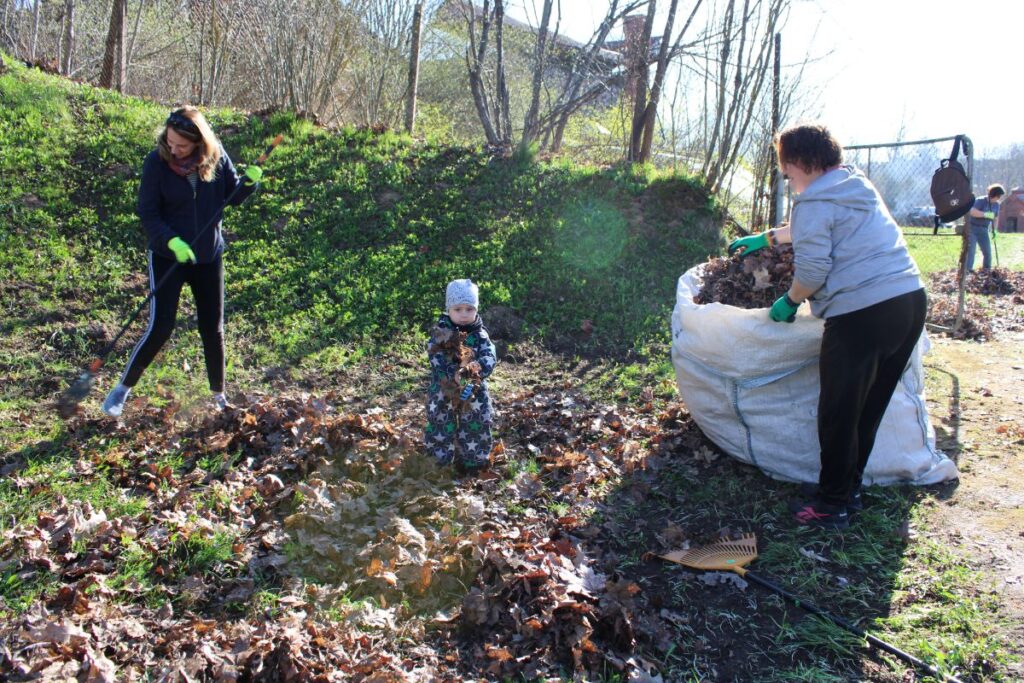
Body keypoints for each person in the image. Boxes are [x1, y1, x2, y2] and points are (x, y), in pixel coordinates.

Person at [728, 123, 926, 530]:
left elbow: (814, 270)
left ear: (801, 162)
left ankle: (831, 505)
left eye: (788, 172)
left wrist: (791, 300)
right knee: (867, 408)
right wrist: (768, 238)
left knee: (838, 412)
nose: (789, 180)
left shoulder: (813, 202)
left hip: (862, 314)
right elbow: (822, 225)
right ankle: (846, 489)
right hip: (907, 302)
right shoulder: (853, 185)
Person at [101, 106, 262, 417]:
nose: (173, 149)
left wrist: (249, 184)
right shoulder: (156, 163)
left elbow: (233, 195)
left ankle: (218, 395)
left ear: (199, 144)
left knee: (211, 329)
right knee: (160, 327)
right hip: (167, 256)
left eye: (181, 146)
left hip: (207, 255)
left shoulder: (216, 157)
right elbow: (148, 212)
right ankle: (121, 391)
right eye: (170, 142)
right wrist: (170, 240)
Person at [424, 279, 498, 472]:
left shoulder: (480, 335)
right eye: (458, 309)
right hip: (443, 387)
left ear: (476, 309)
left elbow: (490, 356)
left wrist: (477, 368)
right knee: (440, 419)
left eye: (469, 309)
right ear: (449, 309)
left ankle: (473, 461)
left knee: (477, 420)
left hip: (473, 388)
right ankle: (438, 462)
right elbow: (435, 355)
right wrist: (451, 373)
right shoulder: (441, 333)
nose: (464, 314)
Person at [965, 183, 1005, 271]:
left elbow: (996, 218)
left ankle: (986, 270)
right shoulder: (980, 201)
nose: (999, 198)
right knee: (971, 251)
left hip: (984, 230)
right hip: (972, 228)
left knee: (987, 252)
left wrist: (994, 230)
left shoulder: (996, 205)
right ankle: (968, 271)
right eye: (998, 196)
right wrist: (985, 214)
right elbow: (972, 211)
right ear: (993, 195)